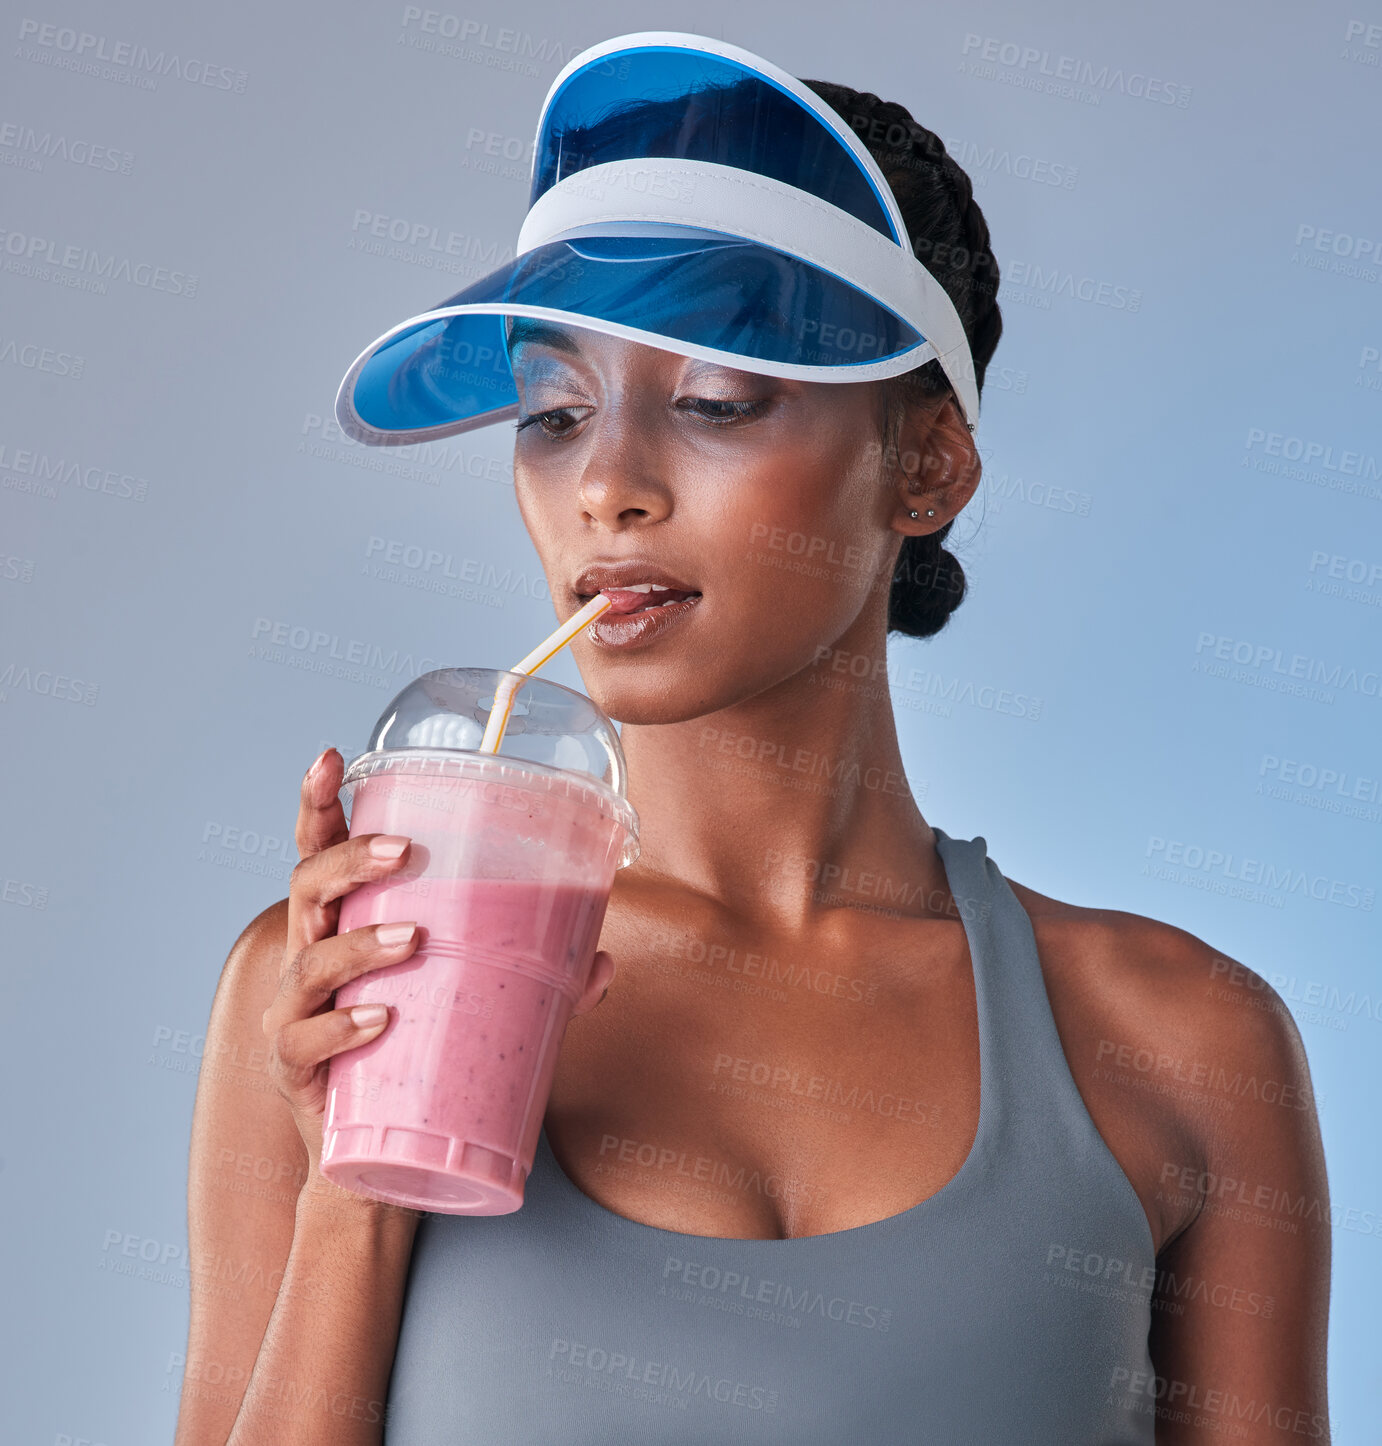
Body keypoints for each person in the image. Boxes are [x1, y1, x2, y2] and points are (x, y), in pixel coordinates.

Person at [176, 32, 1330, 1446]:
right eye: (552, 413)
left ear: (925, 463)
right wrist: (362, 1172)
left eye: (716, 400)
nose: (607, 482)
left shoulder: (1177, 1042)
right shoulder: (339, 988)